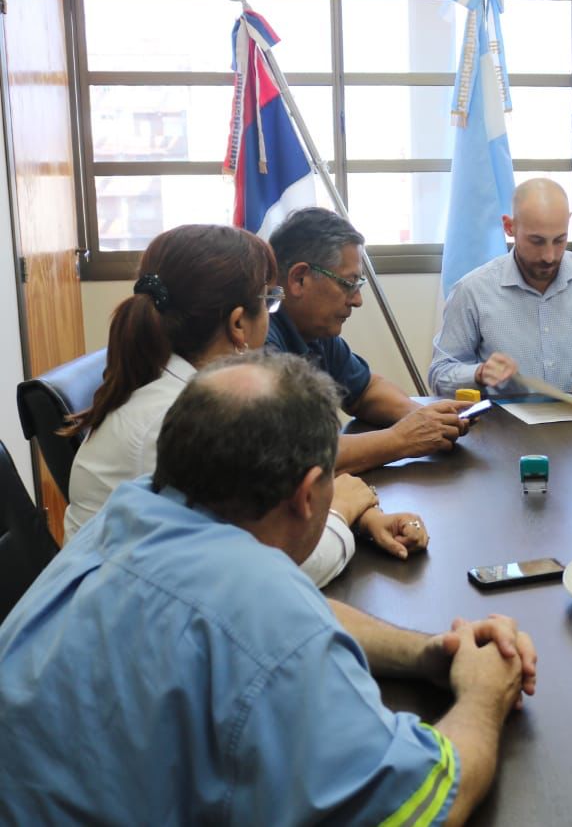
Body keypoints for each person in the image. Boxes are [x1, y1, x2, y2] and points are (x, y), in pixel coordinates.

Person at [0, 353, 537, 825]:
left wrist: (426, 655)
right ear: (309, 494)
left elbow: (285, 614)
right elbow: (422, 805)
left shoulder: (136, 508)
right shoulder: (260, 608)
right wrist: (484, 692)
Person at [63, 224, 424, 584]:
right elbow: (272, 572)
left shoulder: (180, 386)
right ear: (239, 324)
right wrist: (342, 511)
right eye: (270, 302)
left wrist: (362, 517)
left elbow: (266, 505)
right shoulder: (180, 421)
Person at [428, 178, 572, 420]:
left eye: (559, 240)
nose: (549, 256)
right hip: (506, 431)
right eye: (537, 241)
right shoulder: (473, 290)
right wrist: (478, 373)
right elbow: (439, 374)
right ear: (510, 227)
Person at [267, 208, 472, 472]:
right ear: (299, 279)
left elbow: (365, 390)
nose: (357, 300)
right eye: (348, 283)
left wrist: (419, 416)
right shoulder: (259, 344)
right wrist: (402, 439)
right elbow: (296, 456)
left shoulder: (315, 331)